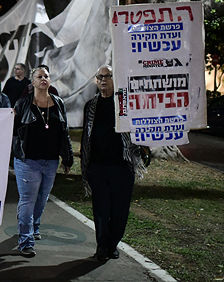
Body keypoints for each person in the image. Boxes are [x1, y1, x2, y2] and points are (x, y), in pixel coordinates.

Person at [81, 65, 146, 262]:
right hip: (98, 166)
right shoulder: (91, 106)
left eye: (108, 76)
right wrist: (85, 164)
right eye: (100, 76)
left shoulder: (125, 105)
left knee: (119, 210)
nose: (103, 80)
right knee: (101, 209)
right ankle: (102, 246)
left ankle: (113, 245)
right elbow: (86, 136)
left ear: (115, 79)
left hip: (122, 166)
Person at [12, 66, 74, 257]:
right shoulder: (23, 104)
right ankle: (26, 241)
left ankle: (34, 225)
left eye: (46, 76)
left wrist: (68, 157)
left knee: (42, 199)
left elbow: (64, 132)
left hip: (51, 161)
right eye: (39, 76)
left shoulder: (58, 102)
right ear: (33, 82)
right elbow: (12, 130)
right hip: (27, 161)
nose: (43, 79)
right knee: (28, 200)